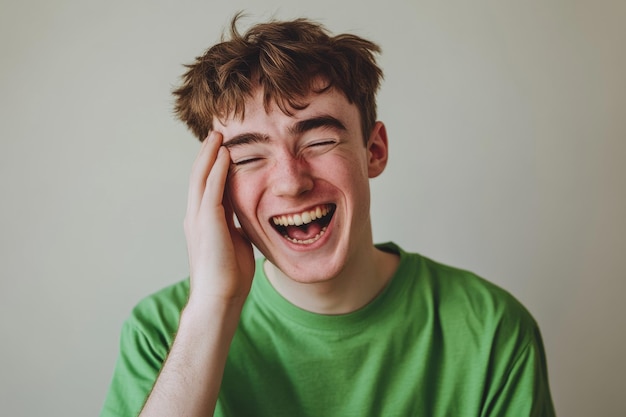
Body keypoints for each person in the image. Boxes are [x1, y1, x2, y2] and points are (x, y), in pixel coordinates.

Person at [100, 15, 555, 417]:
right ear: (216, 186)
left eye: (318, 142)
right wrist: (212, 308)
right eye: (249, 157)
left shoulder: (491, 330)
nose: (290, 182)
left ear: (373, 150)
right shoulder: (161, 333)